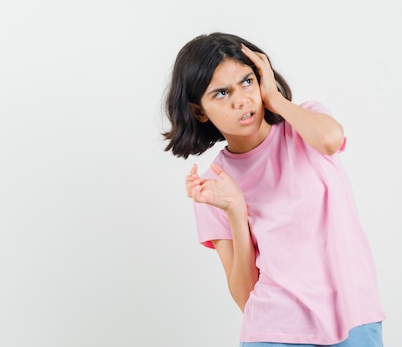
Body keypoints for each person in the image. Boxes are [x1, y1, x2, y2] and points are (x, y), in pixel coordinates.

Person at [162, 32, 385, 347]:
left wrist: (275, 99)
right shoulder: (215, 184)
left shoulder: (305, 124)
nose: (241, 99)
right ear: (199, 111)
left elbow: (331, 140)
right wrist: (236, 211)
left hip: (354, 318)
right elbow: (244, 297)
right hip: (274, 331)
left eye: (247, 81)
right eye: (221, 93)